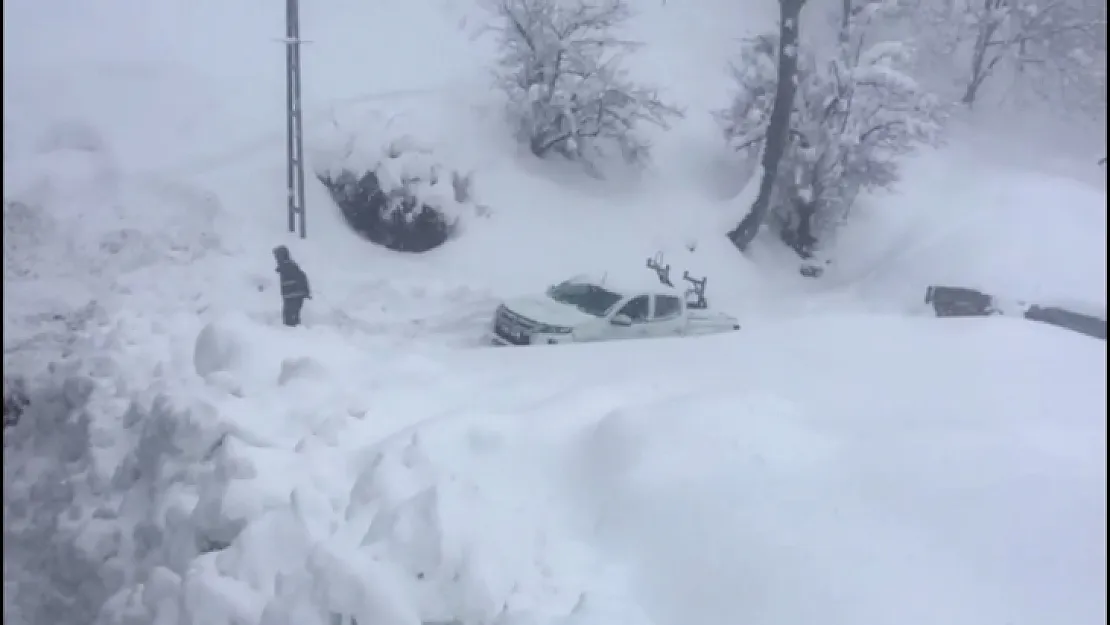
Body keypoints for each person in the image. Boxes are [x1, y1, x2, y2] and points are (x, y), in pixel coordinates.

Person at [273, 245, 311, 327]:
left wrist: (304, 292)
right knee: (291, 319)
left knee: (290, 320)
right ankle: (295, 334)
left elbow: (300, 278)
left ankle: (294, 336)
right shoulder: (289, 267)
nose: (276, 259)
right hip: (292, 297)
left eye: (277, 257)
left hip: (293, 297)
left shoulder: (289, 267)